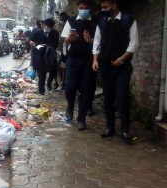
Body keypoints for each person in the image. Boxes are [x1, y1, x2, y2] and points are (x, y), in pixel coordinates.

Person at [92, 0, 139, 144]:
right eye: (102, 7)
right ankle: (109, 127)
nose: (103, 10)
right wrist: (95, 59)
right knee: (108, 97)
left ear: (114, 6)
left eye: (105, 7)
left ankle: (125, 130)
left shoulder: (129, 21)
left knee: (122, 96)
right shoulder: (102, 22)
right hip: (106, 65)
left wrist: (122, 59)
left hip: (122, 66)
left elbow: (133, 44)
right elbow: (97, 42)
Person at [61, 0, 96, 130]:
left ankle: (81, 118)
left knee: (86, 90)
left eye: (86, 8)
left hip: (89, 60)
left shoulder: (96, 22)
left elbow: (100, 41)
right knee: (70, 87)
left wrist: (90, 41)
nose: (84, 10)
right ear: (78, 7)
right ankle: (70, 106)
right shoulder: (71, 21)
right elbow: (65, 40)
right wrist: (71, 39)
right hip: (73, 58)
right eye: (81, 8)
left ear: (90, 8)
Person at [30, 18, 59, 95]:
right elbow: (31, 40)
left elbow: (56, 45)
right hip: (40, 56)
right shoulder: (37, 32)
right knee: (41, 74)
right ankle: (41, 90)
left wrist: (47, 46)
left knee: (52, 72)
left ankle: (49, 83)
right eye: (47, 26)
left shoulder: (55, 33)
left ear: (52, 27)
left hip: (50, 56)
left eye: (50, 27)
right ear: (44, 25)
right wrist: (32, 43)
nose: (48, 28)